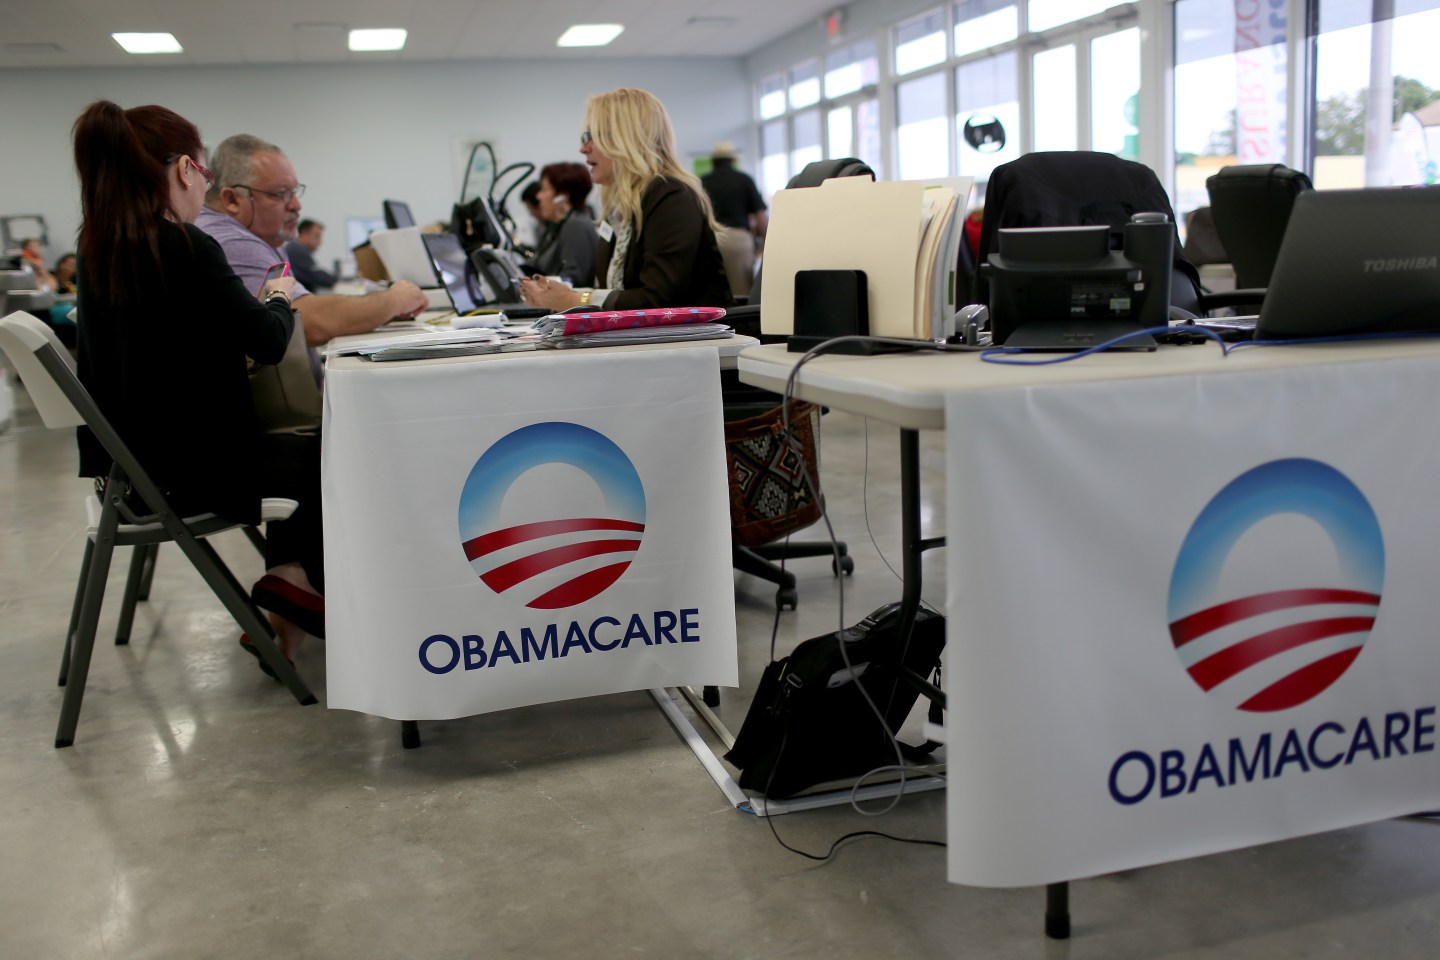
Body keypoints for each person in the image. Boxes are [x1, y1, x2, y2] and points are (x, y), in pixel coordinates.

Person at [70, 100, 324, 669]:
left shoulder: (96, 249)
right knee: (327, 445)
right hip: (194, 476)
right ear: (186, 169)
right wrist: (279, 296)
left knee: (299, 446)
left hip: (132, 477)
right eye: (204, 174)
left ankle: (292, 583)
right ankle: (299, 580)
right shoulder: (185, 246)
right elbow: (266, 339)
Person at [197, 134, 427, 348]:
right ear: (232, 199)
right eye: (280, 193)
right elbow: (307, 321)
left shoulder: (261, 237)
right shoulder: (231, 241)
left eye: (295, 191)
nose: (297, 205)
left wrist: (377, 312)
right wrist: (393, 300)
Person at [519, 87, 732, 312]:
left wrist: (575, 300)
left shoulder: (670, 196)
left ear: (625, 139)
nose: (583, 148)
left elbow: (657, 300)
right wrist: (563, 297)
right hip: (641, 340)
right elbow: (613, 291)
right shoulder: (619, 208)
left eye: (593, 136)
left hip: (694, 341)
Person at [700, 142, 768, 298]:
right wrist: (766, 243)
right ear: (732, 161)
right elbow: (760, 217)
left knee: (713, 292)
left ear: (713, 162)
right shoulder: (744, 180)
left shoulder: (703, 181)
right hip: (739, 240)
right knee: (741, 294)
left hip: (711, 240)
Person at [521, 162, 597, 285]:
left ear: (562, 197)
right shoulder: (557, 227)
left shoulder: (576, 227)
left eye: (544, 190)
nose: (538, 196)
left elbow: (573, 280)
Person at [283, 218, 337, 291]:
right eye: (317, 236)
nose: (320, 242)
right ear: (304, 234)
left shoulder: (294, 248)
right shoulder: (297, 251)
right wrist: (339, 278)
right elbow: (319, 277)